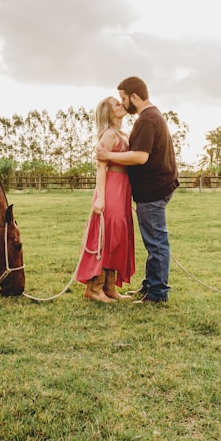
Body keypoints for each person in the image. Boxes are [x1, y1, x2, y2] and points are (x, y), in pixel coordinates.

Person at [95, 76, 178, 304]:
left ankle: (157, 293)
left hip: (153, 190)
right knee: (154, 242)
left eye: (123, 98)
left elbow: (141, 157)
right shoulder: (151, 117)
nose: (123, 103)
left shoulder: (147, 119)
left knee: (156, 243)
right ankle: (150, 285)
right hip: (154, 188)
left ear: (134, 97)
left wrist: (108, 155)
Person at [76, 96, 137, 302]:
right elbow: (101, 167)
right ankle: (94, 289)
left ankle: (109, 287)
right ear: (108, 113)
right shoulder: (109, 135)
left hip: (123, 189)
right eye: (116, 104)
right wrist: (100, 198)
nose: (121, 104)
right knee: (105, 234)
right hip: (110, 187)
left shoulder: (124, 134)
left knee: (117, 236)